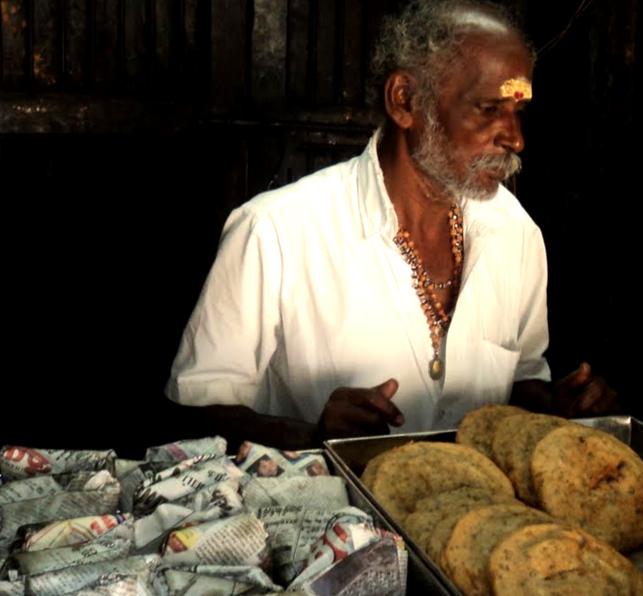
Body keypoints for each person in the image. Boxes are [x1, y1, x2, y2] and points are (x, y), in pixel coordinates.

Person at [165, 0, 617, 450]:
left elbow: (520, 380)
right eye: (486, 109)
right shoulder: (275, 232)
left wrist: (557, 404)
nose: (515, 138)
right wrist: (315, 438)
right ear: (405, 100)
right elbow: (195, 412)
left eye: (518, 113)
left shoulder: (516, 234)